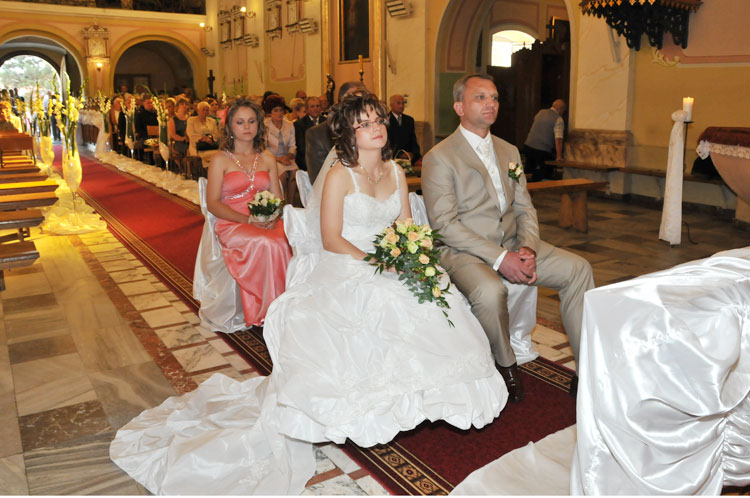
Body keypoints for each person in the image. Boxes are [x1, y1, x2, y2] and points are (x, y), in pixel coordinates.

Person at [109, 93, 506, 495]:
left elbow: (405, 224)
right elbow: (331, 239)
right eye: (365, 123)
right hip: (348, 262)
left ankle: (415, 401)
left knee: (433, 300)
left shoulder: (396, 173)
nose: (376, 128)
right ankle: (366, 406)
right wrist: (376, 262)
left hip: (389, 259)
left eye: (378, 120)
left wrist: (409, 255)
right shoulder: (340, 176)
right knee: (379, 307)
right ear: (349, 134)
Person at [422, 75, 593, 402]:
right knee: (490, 291)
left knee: (578, 269)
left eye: (495, 97)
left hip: (515, 242)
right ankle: (506, 365)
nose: (491, 104)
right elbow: (445, 225)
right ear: (459, 107)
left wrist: (527, 247)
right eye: (480, 97)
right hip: (465, 251)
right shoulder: (440, 157)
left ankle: (587, 370)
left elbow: (524, 206)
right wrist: (501, 258)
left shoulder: (509, 149)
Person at [208, 98, 291, 326]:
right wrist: (248, 219)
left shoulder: (267, 158)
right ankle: (265, 310)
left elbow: (278, 199)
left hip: (267, 220)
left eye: (252, 121)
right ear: (230, 126)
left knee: (285, 239)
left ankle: (285, 306)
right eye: (240, 122)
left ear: (259, 125)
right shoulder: (220, 159)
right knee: (265, 242)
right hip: (232, 221)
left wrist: (272, 216)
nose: (247, 127)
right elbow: (213, 203)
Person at [305, 81, 365, 184]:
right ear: (340, 103)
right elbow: (318, 179)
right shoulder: (318, 134)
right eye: (352, 101)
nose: (358, 106)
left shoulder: (372, 129)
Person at [263, 94, 298, 201]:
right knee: (282, 174)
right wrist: (278, 159)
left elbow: (292, 145)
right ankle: (280, 202)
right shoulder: (264, 126)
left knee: (295, 173)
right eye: (276, 110)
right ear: (269, 113)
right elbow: (263, 149)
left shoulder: (289, 125)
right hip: (272, 158)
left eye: (281, 110)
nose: (279, 113)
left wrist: (289, 156)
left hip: (287, 158)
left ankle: (291, 203)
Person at [523, 99, 566, 182]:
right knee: (548, 169)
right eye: (563, 111)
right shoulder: (558, 119)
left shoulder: (541, 112)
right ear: (560, 109)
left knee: (529, 167)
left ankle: (526, 183)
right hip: (542, 150)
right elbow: (558, 140)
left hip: (528, 146)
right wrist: (559, 156)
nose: (563, 113)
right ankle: (533, 178)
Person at [387, 94, 421, 162]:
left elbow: (413, 140)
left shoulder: (409, 120)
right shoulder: (386, 119)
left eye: (403, 103)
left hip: (408, 157)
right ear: (391, 105)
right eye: (398, 103)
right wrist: (400, 154)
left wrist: (413, 154)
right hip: (392, 157)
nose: (401, 106)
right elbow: (387, 142)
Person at [293, 96, 322, 171]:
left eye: (318, 106)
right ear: (307, 109)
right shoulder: (299, 124)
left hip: (324, 156)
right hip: (307, 157)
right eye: (312, 106)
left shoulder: (326, 122)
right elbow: (301, 147)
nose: (315, 109)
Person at [167, 97, 190, 161]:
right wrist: (182, 138)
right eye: (182, 104)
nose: (184, 106)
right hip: (179, 142)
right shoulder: (173, 120)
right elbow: (173, 134)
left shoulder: (190, 118)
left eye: (186, 104)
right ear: (177, 107)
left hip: (190, 140)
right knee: (189, 149)